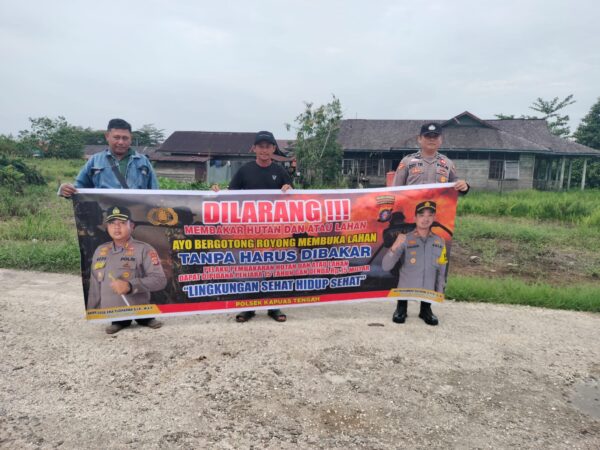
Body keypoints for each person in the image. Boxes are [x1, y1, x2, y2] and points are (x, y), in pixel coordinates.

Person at [59, 118, 162, 334]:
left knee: (139, 263)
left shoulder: (143, 162)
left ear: (131, 139)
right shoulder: (95, 161)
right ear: (107, 137)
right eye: (116, 137)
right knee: (112, 268)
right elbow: (79, 189)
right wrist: (65, 190)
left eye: (125, 138)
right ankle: (118, 317)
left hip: (135, 222)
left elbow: (156, 194)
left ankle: (145, 315)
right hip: (106, 223)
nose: (121, 142)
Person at [390, 122, 469, 325]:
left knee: (432, 264)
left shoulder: (447, 164)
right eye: (427, 136)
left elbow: (456, 187)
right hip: (411, 221)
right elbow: (395, 191)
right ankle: (401, 307)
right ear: (420, 139)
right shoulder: (408, 162)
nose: (431, 140)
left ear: (440, 140)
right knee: (406, 262)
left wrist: (464, 186)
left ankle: (426, 308)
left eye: (435, 137)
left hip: (436, 222)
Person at [212, 130, 292, 323]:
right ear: (254, 148)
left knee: (273, 269)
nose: (264, 150)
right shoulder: (244, 170)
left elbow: (293, 199)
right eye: (260, 146)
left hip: (274, 231)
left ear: (273, 149)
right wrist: (217, 193)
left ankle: (274, 307)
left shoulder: (281, 171)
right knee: (250, 268)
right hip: (249, 231)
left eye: (268, 146)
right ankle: (248, 307)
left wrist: (289, 189)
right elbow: (230, 195)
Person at [88, 206, 167, 334]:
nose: (116, 227)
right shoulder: (100, 251)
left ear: (132, 226)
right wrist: (92, 312)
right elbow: (94, 287)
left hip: (141, 310)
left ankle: (145, 319)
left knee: (144, 316)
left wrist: (131, 286)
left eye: (122, 223)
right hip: (112, 312)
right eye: (112, 223)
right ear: (107, 226)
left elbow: (160, 280)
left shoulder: (144, 249)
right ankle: (119, 321)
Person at [382, 201, 447, 325]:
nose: (425, 219)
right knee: (403, 294)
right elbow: (386, 266)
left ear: (434, 218)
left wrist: (439, 292)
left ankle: (425, 310)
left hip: (428, 290)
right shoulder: (405, 239)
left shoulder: (440, 241)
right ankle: (401, 308)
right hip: (405, 288)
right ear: (415, 218)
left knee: (431, 276)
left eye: (429, 215)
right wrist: (394, 246)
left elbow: (441, 270)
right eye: (421, 215)